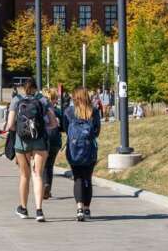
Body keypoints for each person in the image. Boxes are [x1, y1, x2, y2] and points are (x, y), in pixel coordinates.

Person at [6, 80, 57, 222]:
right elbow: (53, 123)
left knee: (24, 176)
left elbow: (10, 125)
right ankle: (39, 211)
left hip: (21, 142)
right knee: (38, 175)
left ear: (24, 88)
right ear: (36, 88)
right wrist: (40, 127)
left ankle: (23, 208)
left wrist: (20, 129)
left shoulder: (16, 100)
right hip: (39, 141)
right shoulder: (43, 100)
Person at [62, 87, 102, 221]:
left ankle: (79, 208)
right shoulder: (94, 111)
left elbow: (66, 128)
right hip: (89, 149)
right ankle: (87, 208)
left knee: (77, 177)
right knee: (87, 179)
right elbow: (97, 131)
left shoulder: (69, 111)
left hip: (74, 149)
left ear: (75, 98)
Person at [41, 92, 65, 199]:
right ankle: (48, 187)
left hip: (43, 140)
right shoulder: (58, 111)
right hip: (55, 139)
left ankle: (42, 187)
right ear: (54, 100)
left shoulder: (40, 109)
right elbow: (64, 127)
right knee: (49, 165)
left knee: (41, 165)